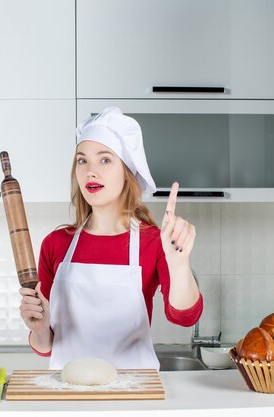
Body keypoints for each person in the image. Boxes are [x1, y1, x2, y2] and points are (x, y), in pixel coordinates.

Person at [19, 107, 203, 370]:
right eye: (82, 161)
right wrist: (38, 329)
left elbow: (184, 317)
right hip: (70, 396)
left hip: (133, 397)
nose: (90, 172)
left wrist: (179, 262)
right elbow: (47, 344)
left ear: (127, 171)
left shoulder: (154, 242)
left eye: (105, 160)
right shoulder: (55, 244)